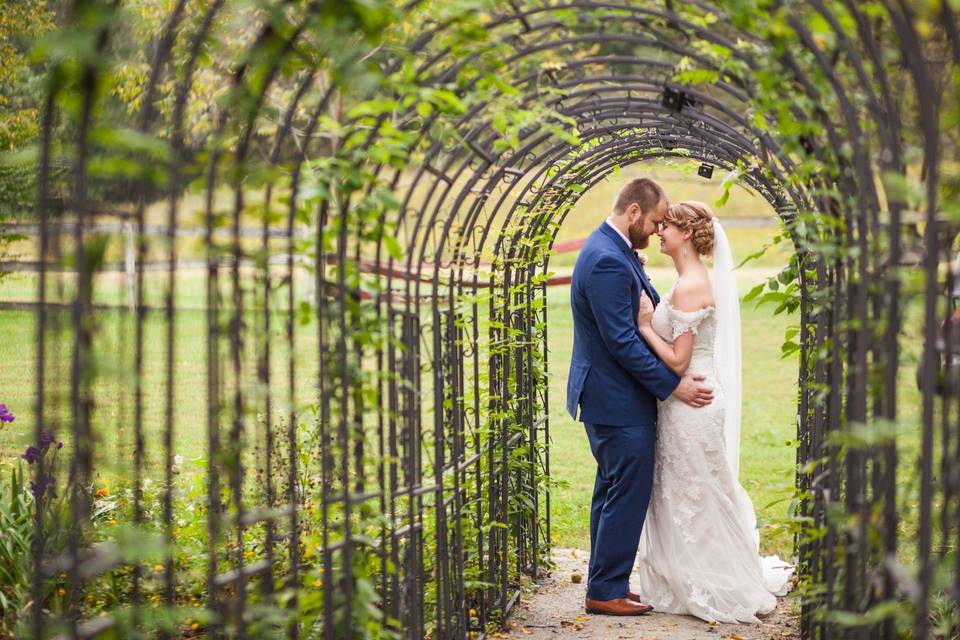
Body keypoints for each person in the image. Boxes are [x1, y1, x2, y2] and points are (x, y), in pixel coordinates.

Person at [632, 200, 793, 623]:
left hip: (692, 399)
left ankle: (714, 579)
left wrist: (646, 327)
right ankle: (692, 573)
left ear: (686, 233)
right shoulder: (688, 277)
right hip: (686, 401)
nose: (659, 231)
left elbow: (679, 361)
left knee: (698, 490)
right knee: (692, 488)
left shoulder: (690, 285)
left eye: (665, 226)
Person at [566, 178, 715, 616]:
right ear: (633, 212)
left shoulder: (612, 251)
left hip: (610, 395)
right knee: (626, 490)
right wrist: (674, 386)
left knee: (613, 490)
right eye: (652, 221)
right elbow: (623, 342)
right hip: (615, 397)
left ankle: (605, 581)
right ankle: (605, 590)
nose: (654, 230)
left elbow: (638, 313)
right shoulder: (608, 260)